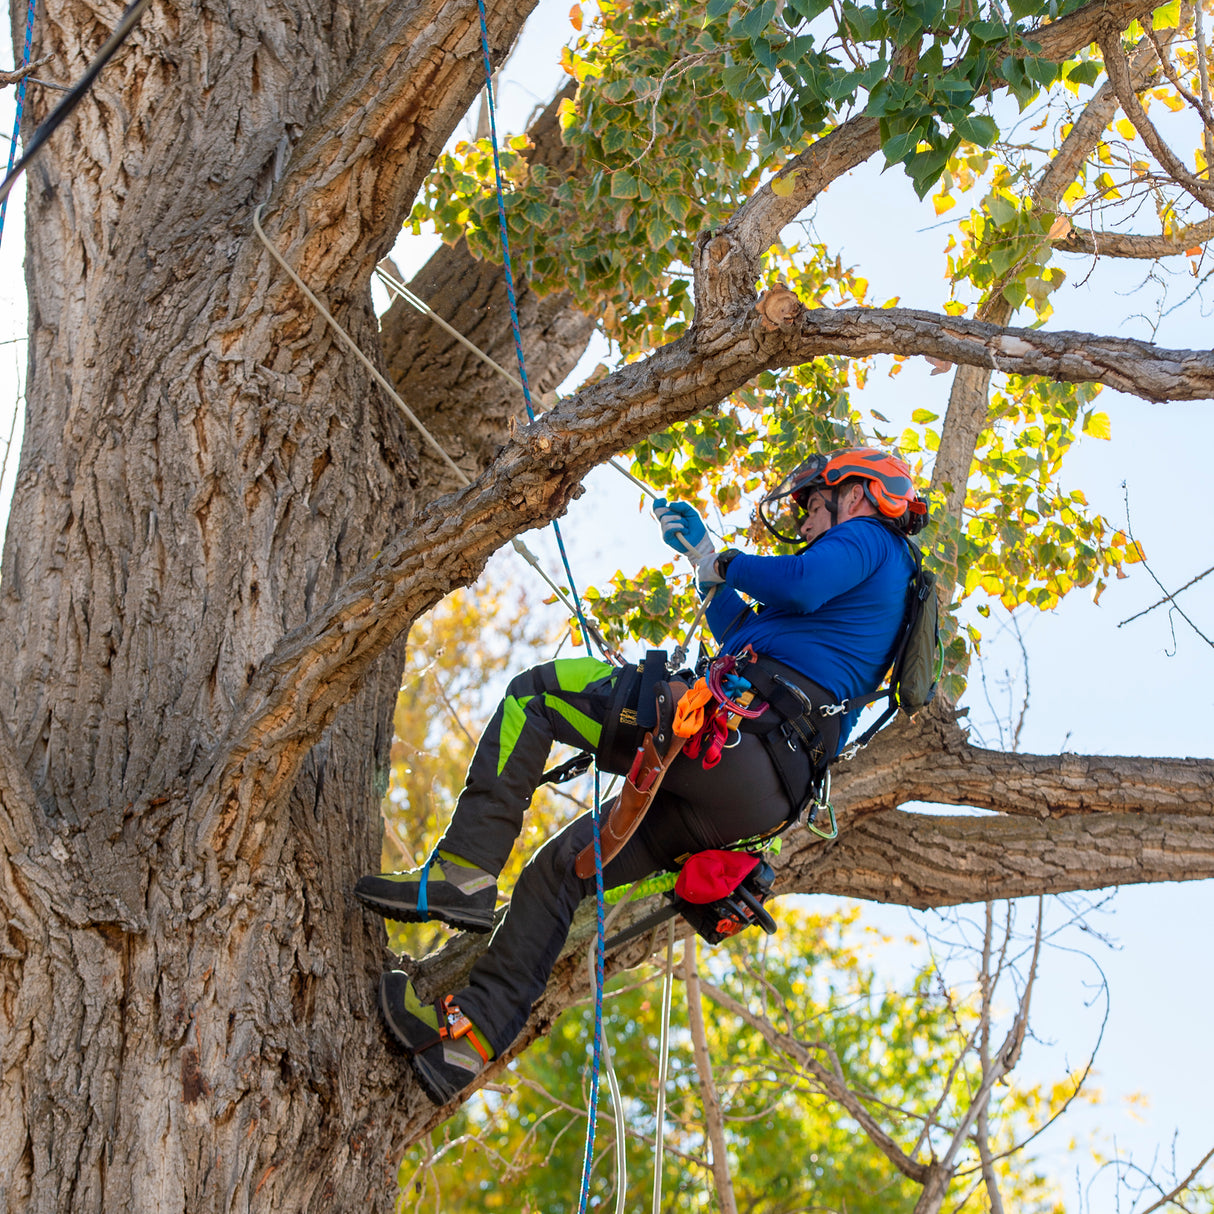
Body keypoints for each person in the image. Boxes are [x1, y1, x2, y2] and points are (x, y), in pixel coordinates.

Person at [355, 447, 927, 1105]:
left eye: (811, 507)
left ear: (857, 492)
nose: (804, 524)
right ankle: (466, 1043)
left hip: (734, 742)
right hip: (750, 799)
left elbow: (795, 580)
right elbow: (742, 625)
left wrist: (724, 557)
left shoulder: (870, 542)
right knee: (561, 872)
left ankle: (462, 873)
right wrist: (704, 567)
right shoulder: (858, 600)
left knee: (535, 696)